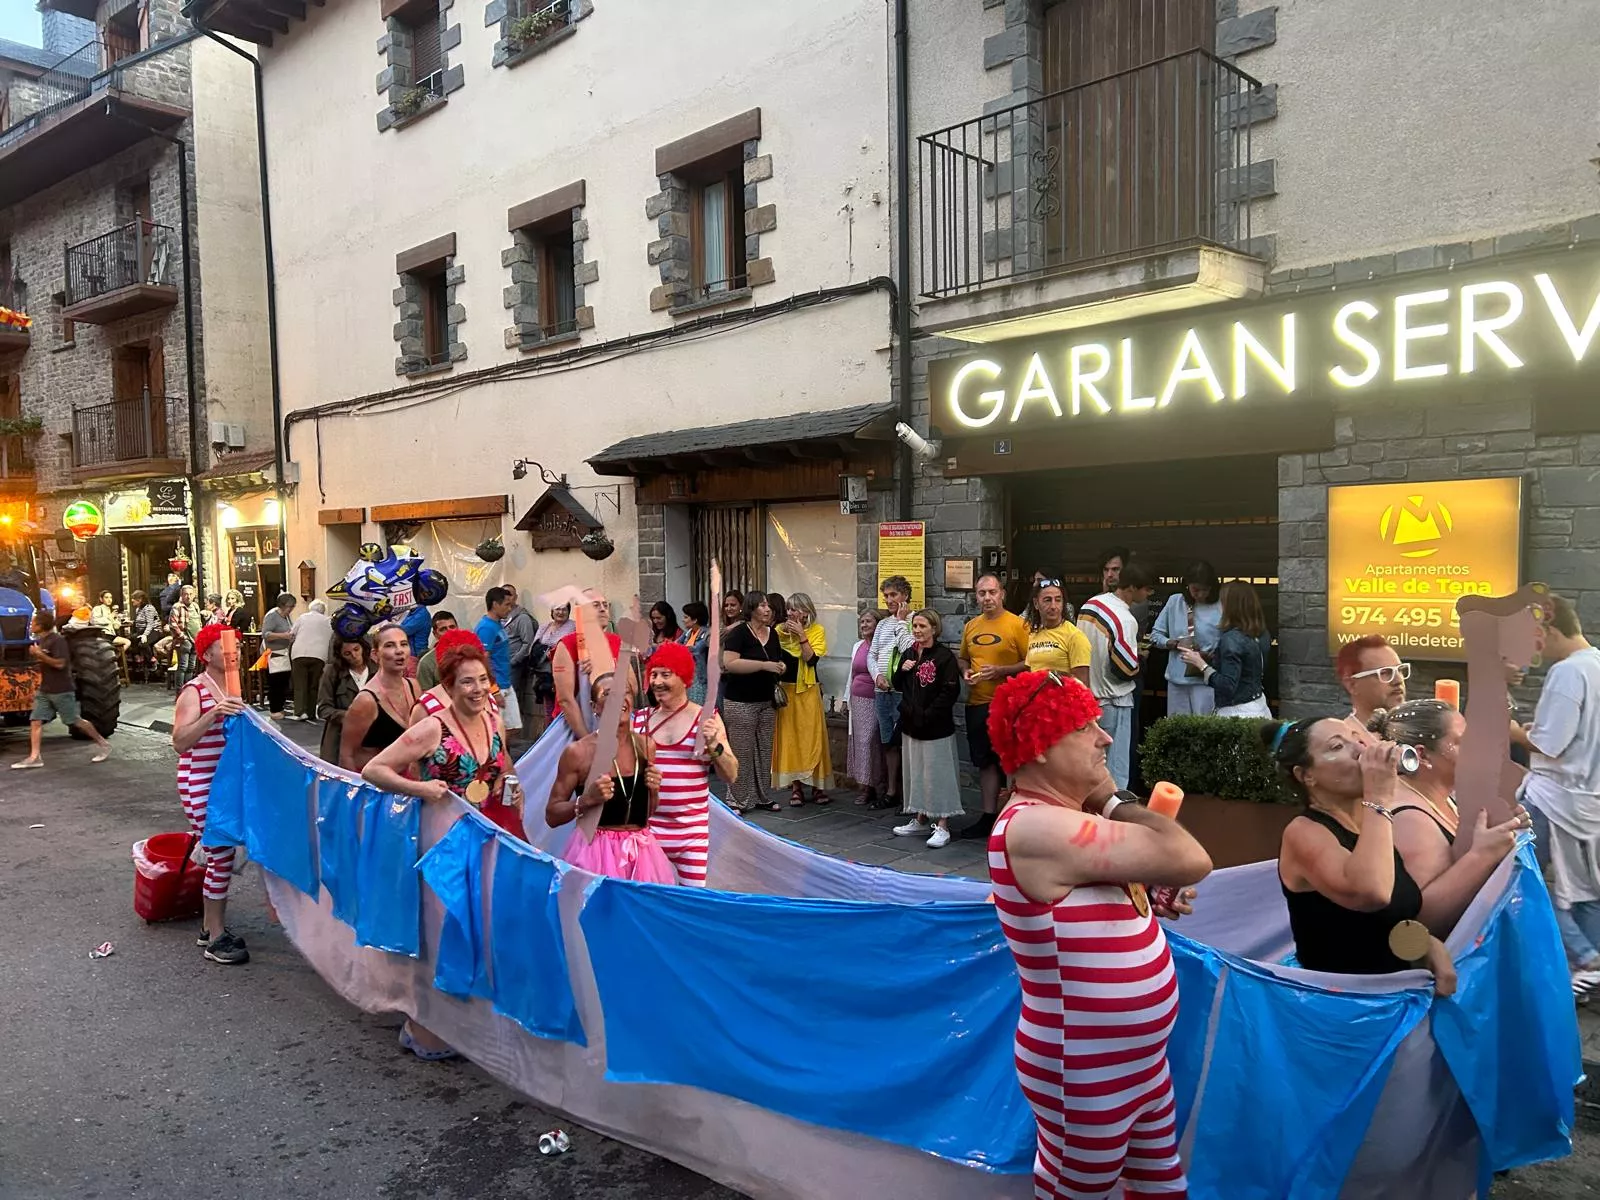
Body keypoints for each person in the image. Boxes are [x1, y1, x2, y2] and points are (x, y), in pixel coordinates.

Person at [985, 669, 1212, 1200]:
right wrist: (1113, 800)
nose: (1105, 735)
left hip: (1131, 1061)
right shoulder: (1035, 825)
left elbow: (1103, 902)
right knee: (1075, 1191)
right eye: (1084, 725)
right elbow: (1191, 858)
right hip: (1084, 1064)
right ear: (1039, 746)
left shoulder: (1060, 822)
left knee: (1160, 1186)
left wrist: (1145, 900)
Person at [364, 633, 521, 1060]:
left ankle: (459, 1014)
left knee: (474, 925)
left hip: (482, 832)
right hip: (439, 837)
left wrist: (508, 782)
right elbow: (373, 769)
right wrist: (419, 788)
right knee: (437, 929)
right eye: (466, 682)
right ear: (448, 687)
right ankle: (420, 1024)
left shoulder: (492, 717)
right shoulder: (432, 726)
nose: (476, 690)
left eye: (483, 680)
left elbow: (499, 763)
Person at [1269, 715, 1456, 988]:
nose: (1360, 751)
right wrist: (1379, 797)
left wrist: (1426, 944)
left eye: (1356, 740)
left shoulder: (1370, 825)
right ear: (1306, 775)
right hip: (1340, 1010)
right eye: (1336, 747)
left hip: (1392, 1004)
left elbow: (1386, 922)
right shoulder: (1304, 833)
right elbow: (1372, 893)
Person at [1370, 699, 1526, 937]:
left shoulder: (1442, 796)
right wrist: (1485, 854)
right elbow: (1423, 922)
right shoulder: (1410, 818)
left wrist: (1499, 829)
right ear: (1422, 755)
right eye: (1462, 742)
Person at [1515, 595, 1600, 986]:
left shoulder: (1568, 673)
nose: (1534, 649)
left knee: (1525, 879)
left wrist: (1515, 731)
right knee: (1584, 889)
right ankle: (1591, 964)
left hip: (1554, 798)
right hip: (1588, 798)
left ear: (1548, 631)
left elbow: (1551, 744)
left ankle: (1584, 959)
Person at [547, 672, 676, 883]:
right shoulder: (578, 753)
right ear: (595, 706)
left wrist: (653, 789)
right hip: (594, 855)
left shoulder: (645, 745)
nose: (619, 698)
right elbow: (551, 815)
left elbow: (647, 812)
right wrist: (586, 800)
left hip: (641, 854)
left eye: (625, 691)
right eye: (609, 693)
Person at [170, 623, 249, 964]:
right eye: (225, 646)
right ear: (206, 655)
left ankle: (209, 927)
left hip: (226, 783)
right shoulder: (195, 691)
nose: (234, 652)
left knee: (224, 851)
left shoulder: (233, 687)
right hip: (200, 781)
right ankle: (215, 936)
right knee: (220, 853)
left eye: (236, 646)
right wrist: (214, 713)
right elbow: (179, 741)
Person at [637, 641, 738, 884]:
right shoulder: (639, 720)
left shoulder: (706, 719)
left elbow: (731, 774)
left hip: (691, 835)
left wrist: (714, 745)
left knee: (691, 903)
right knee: (651, 902)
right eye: (654, 674)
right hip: (647, 833)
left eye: (666, 674)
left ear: (683, 677)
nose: (658, 682)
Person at [957, 573, 1032, 840]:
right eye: (981, 594)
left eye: (992, 592)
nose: (987, 598)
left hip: (1009, 704)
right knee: (985, 762)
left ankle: (1014, 819)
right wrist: (965, 672)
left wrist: (1001, 670)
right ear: (976, 597)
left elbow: (1031, 662)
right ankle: (988, 817)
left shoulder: (1019, 625)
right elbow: (964, 658)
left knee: (1011, 762)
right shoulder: (971, 626)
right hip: (977, 703)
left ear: (1002, 594)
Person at [1077, 559, 1156, 790]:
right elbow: (1125, 669)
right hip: (1115, 700)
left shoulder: (1089, 605)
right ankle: (1113, 821)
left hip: (1089, 699)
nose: (1149, 594)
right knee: (1115, 774)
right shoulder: (1125, 619)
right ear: (1133, 587)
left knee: (1090, 769)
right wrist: (1140, 658)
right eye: (1147, 588)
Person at [893, 609, 963, 848]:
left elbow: (949, 691)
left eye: (923, 626)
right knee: (917, 771)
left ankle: (943, 824)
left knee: (938, 772)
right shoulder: (909, 653)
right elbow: (897, 684)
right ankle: (920, 817)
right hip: (911, 724)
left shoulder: (944, 657)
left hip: (935, 726)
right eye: (915, 627)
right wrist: (903, 669)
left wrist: (929, 714)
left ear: (934, 628)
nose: (918, 631)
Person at [9, 607, 112, 769]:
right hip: (46, 690)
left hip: (62, 690)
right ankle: (35, 757)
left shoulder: (58, 641)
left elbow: (60, 664)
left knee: (75, 721)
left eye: (34, 623)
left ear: (41, 625)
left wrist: (40, 655)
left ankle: (103, 743)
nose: (30, 626)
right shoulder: (43, 640)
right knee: (35, 720)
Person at [719, 591, 786, 814]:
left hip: (766, 700)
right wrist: (763, 666)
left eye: (769, 606)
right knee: (742, 751)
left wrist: (780, 666)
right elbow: (730, 663)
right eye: (763, 605)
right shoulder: (738, 633)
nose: (768, 609)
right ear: (752, 609)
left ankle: (761, 796)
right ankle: (737, 799)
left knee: (764, 750)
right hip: (740, 701)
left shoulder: (773, 634)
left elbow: (776, 658)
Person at [1180, 579, 1273, 717]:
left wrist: (1201, 664)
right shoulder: (1262, 633)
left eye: (1222, 601)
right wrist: (1213, 658)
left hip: (1236, 712)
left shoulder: (1231, 638)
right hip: (1260, 706)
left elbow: (1227, 686)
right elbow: (1248, 668)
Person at [773, 591, 832, 806]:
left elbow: (810, 659)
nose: (790, 612)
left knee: (813, 737)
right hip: (787, 691)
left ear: (806, 612)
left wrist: (801, 636)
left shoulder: (817, 631)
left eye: (795, 608)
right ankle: (796, 787)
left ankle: (817, 787)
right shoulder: (779, 631)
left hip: (808, 690)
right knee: (791, 739)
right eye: (788, 608)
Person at [340, 623, 421, 773]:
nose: (399, 651)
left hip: (407, 783)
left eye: (403, 644)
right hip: (374, 786)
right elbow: (346, 755)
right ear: (375, 654)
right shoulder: (366, 700)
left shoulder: (413, 687)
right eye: (390, 645)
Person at [1149, 560, 1222, 716]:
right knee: (1178, 729)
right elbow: (1155, 635)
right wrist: (1172, 644)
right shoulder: (1175, 601)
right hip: (1177, 679)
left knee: (1205, 727)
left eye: (1205, 590)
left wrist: (1210, 655)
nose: (1200, 594)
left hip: (1206, 679)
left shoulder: (1220, 605)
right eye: (1195, 589)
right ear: (1187, 585)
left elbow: (1227, 641)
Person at [868, 576, 915, 811]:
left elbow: (909, 649)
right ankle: (891, 791)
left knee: (905, 741)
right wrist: (877, 676)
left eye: (893, 595)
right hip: (882, 689)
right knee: (888, 742)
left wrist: (901, 621)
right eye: (886, 596)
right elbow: (872, 653)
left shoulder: (914, 620)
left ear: (905, 595)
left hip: (901, 690)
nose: (888, 600)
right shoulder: (882, 624)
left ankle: (910, 794)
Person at [551, 592, 622, 739]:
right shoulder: (567, 644)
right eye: (595, 605)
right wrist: (586, 740)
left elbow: (631, 687)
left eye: (605, 605)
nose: (603, 609)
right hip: (573, 728)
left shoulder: (616, 641)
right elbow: (565, 699)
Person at [847, 608, 888, 806]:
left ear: (878, 624)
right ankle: (865, 787)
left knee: (872, 741)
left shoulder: (883, 647)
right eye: (861, 622)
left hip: (876, 699)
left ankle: (879, 784)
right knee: (861, 742)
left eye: (868, 621)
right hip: (858, 699)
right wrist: (846, 699)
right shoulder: (857, 646)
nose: (863, 625)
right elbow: (851, 675)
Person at [1023, 576, 1090, 685]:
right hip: (1038, 700)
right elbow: (1030, 672)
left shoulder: (1075, 636)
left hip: (1064, 700)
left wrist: (1056, 676)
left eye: (1058, 600)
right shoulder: (1034, 634)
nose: (1053, 606)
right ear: (1036, 603)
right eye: (1047, 600)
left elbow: (1082, 684)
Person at [475, 586, 522, 735]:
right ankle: (497, 755)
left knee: (513, 727)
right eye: (507, 605)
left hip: (506, 682)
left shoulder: (497, 625)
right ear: (495, 604)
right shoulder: (486, 628)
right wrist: (494, 690)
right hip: (496, 686)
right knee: (497, 730)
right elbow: (482, 660)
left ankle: (502, 754)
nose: (510, 609)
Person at [317, 634, 371, 763]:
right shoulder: (332, 672)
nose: (354, 655)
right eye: (347, 653)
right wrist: (349, 716)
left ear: (363, 648)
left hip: (370, 740)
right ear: (341, 655)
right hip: (339, 739)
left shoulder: (377, 671)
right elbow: (323, 709)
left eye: (356, 649)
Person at [1336, 634, 1409, 729]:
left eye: (1399, 670)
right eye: (1384, 672)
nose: (1398, 680)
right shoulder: (1346, 740)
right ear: (1352, 685)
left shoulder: (1419, 732)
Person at [503, 584, 543, 739]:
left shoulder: (522, 618)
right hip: (499, 667)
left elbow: (528, 644)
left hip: (513, 667)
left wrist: (513, 661)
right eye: (504, 593)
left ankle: (511, 739)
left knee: (510, 701)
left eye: (510, 594)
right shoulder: (501, 617)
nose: (507, 597)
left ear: (515, 597)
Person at [289, 598, 334, 722]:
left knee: (300, 684)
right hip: (319, 655)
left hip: (300, 653)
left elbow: (292, 634)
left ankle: (300, 712)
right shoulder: (328, 621)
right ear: (323, 610)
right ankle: (311, 712)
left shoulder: (302, 617)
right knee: (314, 685)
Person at [261, 593, 297, 720]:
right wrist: (283, 636)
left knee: (283, 681)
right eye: (289, 607)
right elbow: (266, 634)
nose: (291, 609)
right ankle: (274, 709)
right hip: (274, 653)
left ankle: (280, 707)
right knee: (275, 682)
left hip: (284, 653)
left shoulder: (286, 617)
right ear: (282, 606)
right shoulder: (272, 616)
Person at [677, 601, 712, 706]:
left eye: (686, 617)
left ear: (695, 620)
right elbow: (676, 644)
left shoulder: (706, 633)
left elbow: (696, 649)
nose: (683, 620)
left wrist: (680, 648)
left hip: (700, 678)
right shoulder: (687, 633)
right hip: (688, 676)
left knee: (698, 706)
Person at [415, 610, 459, 691]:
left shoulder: (469, 654)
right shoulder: (426, 663)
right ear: (435, 634)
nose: (449, 632)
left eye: (452, 627)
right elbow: (425, 698)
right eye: (443, 629)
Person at [170, 585, 201, 684]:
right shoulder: (177, 607)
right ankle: (180, 692)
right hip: (184, 641)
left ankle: (189, 690)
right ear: (182, 595)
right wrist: (183, 637)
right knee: (183, 666)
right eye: (186, 594)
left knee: (191, 667)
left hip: (195, 640)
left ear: (194, 595)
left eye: (191, 594)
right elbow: (173, 624)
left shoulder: (195, 606)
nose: (188, 596)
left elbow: (198, 622)